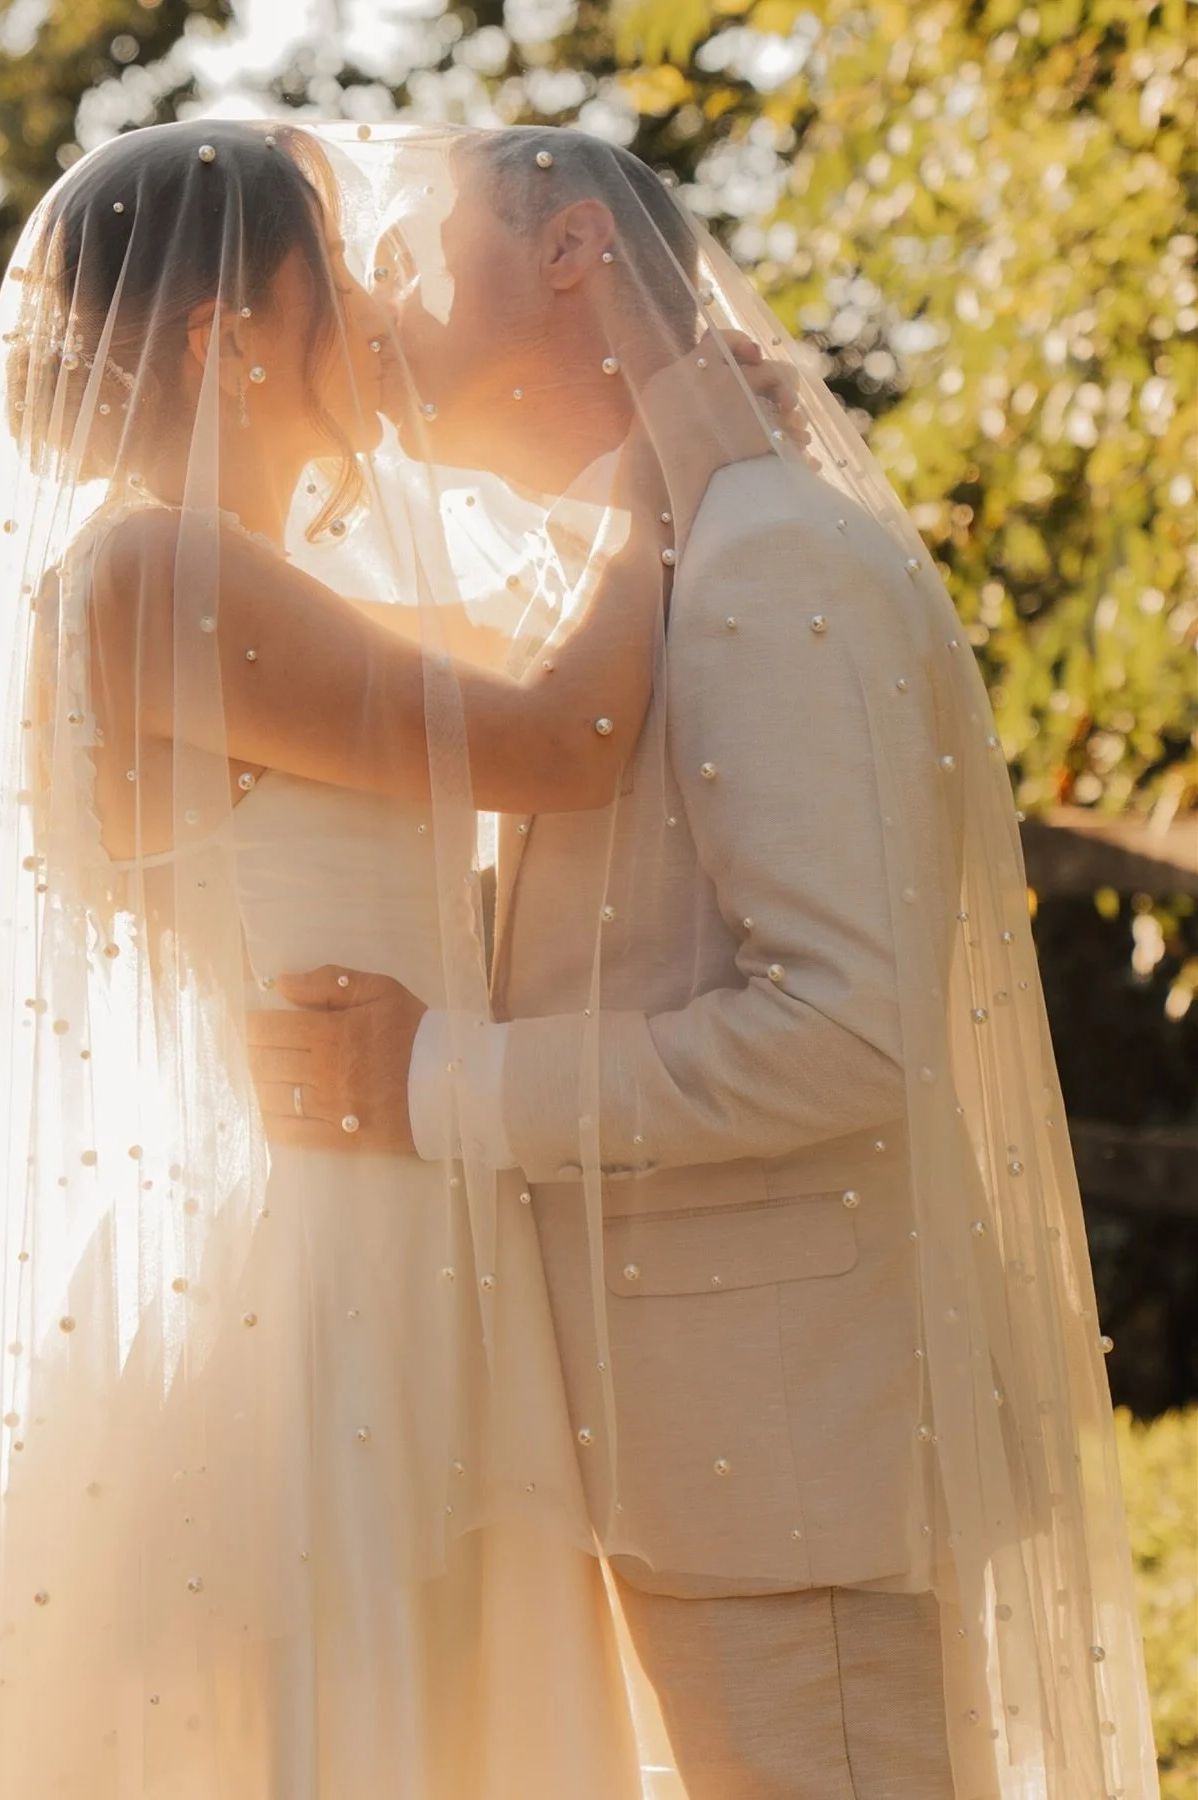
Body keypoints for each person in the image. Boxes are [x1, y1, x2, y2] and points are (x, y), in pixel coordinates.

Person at [0, 118, 797, 1799]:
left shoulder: (255, 573)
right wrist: (656, 456)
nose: (371, 307)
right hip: (320, 1249)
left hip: (402, 1200)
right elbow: (560, 737)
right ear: (230, 334)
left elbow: (536, 666)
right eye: (329, 275)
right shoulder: (148, 571)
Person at [247, 126, 1162, 1800]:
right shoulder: (655, 551)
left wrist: (432, 1076)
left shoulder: (767, 564)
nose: (379, 298)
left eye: (418, 255)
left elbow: (846, 1033)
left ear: (571, 251)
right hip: (690, 1439)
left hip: (787, 1458)